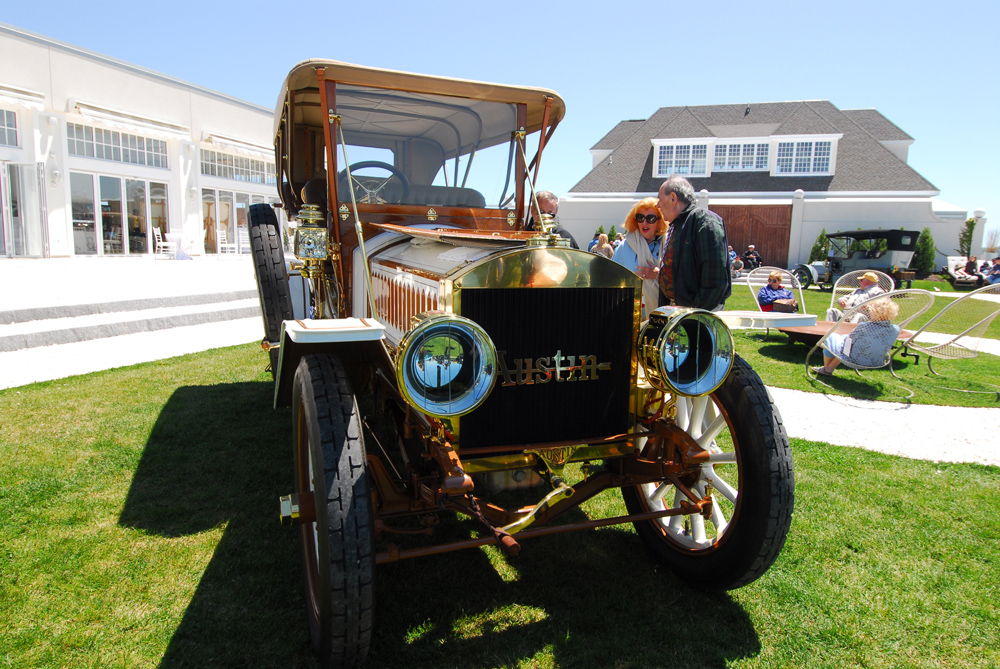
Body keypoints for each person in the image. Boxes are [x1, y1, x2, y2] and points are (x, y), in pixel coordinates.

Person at [656, 176, 732, 311]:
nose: (658, 205)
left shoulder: (705, 221)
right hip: (681, 310)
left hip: (698, 312)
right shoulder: (678, 225)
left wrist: (696, 311)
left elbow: (716, 277)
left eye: (660, 199)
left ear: (673, 198)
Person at [812, 298, 900, 376]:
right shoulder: (895, 329)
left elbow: (848, 342)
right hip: (877, 361)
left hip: (855, 359)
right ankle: (828, 369)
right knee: (844, 343)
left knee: (831, 337)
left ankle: (826, 368)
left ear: (874, 312)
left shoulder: (864, 327)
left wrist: (842, 340)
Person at [612, 197, 666, 318]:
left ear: (660, 221)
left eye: (650, 218)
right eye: (640, 218)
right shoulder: (624, 246)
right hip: (628, 313)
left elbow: (680, 280)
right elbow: (612, 278)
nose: (644, 223)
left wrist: (660, 275)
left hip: (661, 314)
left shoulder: (668, 245)